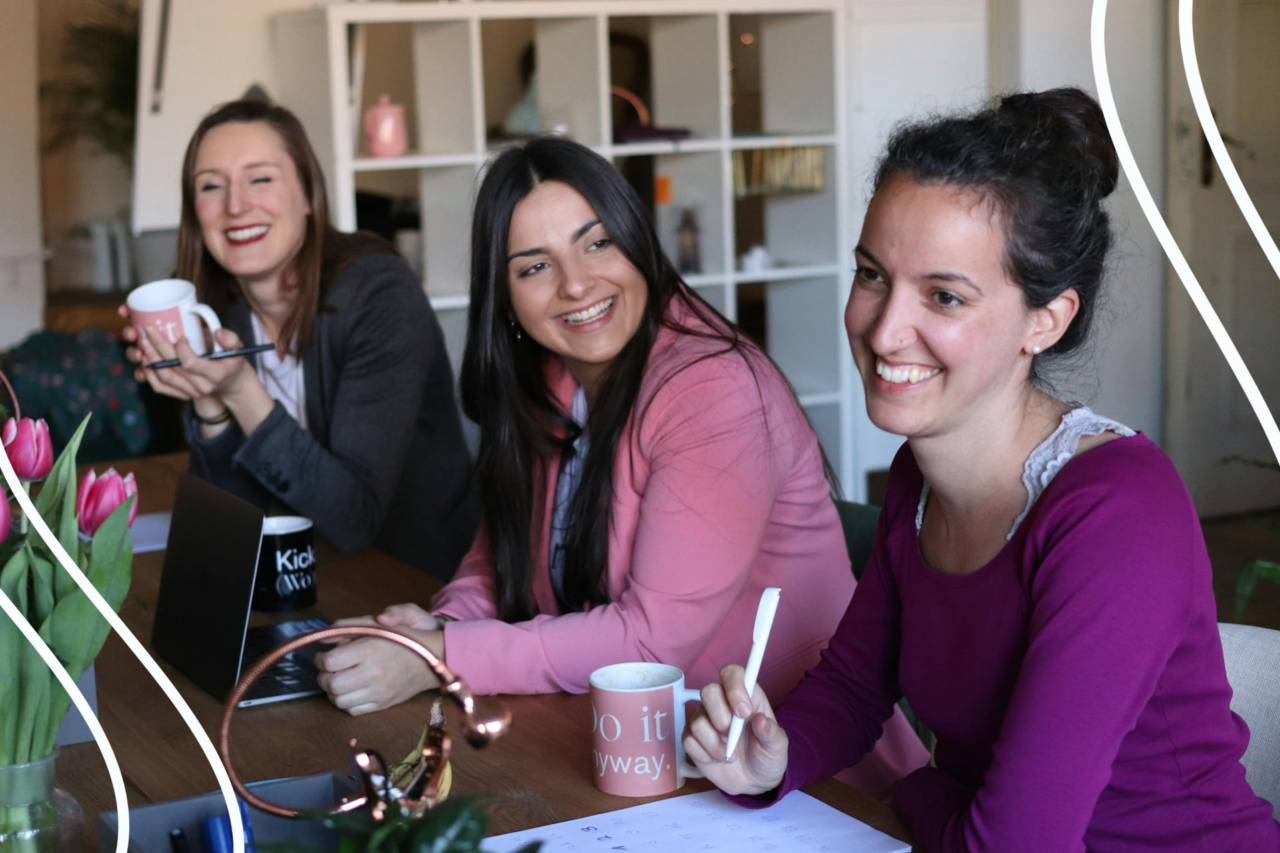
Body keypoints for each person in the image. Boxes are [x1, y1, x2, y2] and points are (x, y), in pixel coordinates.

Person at [684, 88, 1280, 851]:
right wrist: (771, 758)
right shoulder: (918, 476)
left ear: (1047, 319)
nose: (885, 328)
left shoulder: (1118, 514)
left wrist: (922, 791)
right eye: (873, 275)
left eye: (944, 295)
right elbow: (856, 684)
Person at [312, 136, 929, 792]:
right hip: (638, 758)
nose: (577, 282)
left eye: (597, 242)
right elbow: (498, 560)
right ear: (506, 298)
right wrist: (439, 626)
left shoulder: (710, 387)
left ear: (637, 240)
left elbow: (651, 643)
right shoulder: (549, 378)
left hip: (799, 776)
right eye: (533, 266)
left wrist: (442, 657)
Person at [122, 99, 478, 580]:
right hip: (300, 576)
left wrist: (241, 390)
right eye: (211, 185)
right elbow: (232, 524)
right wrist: (210, 404)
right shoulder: (217, 311)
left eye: (260, 178)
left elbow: (354, 521)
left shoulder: (379, 294)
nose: (235, 205)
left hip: (416, 584)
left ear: (309, 194)